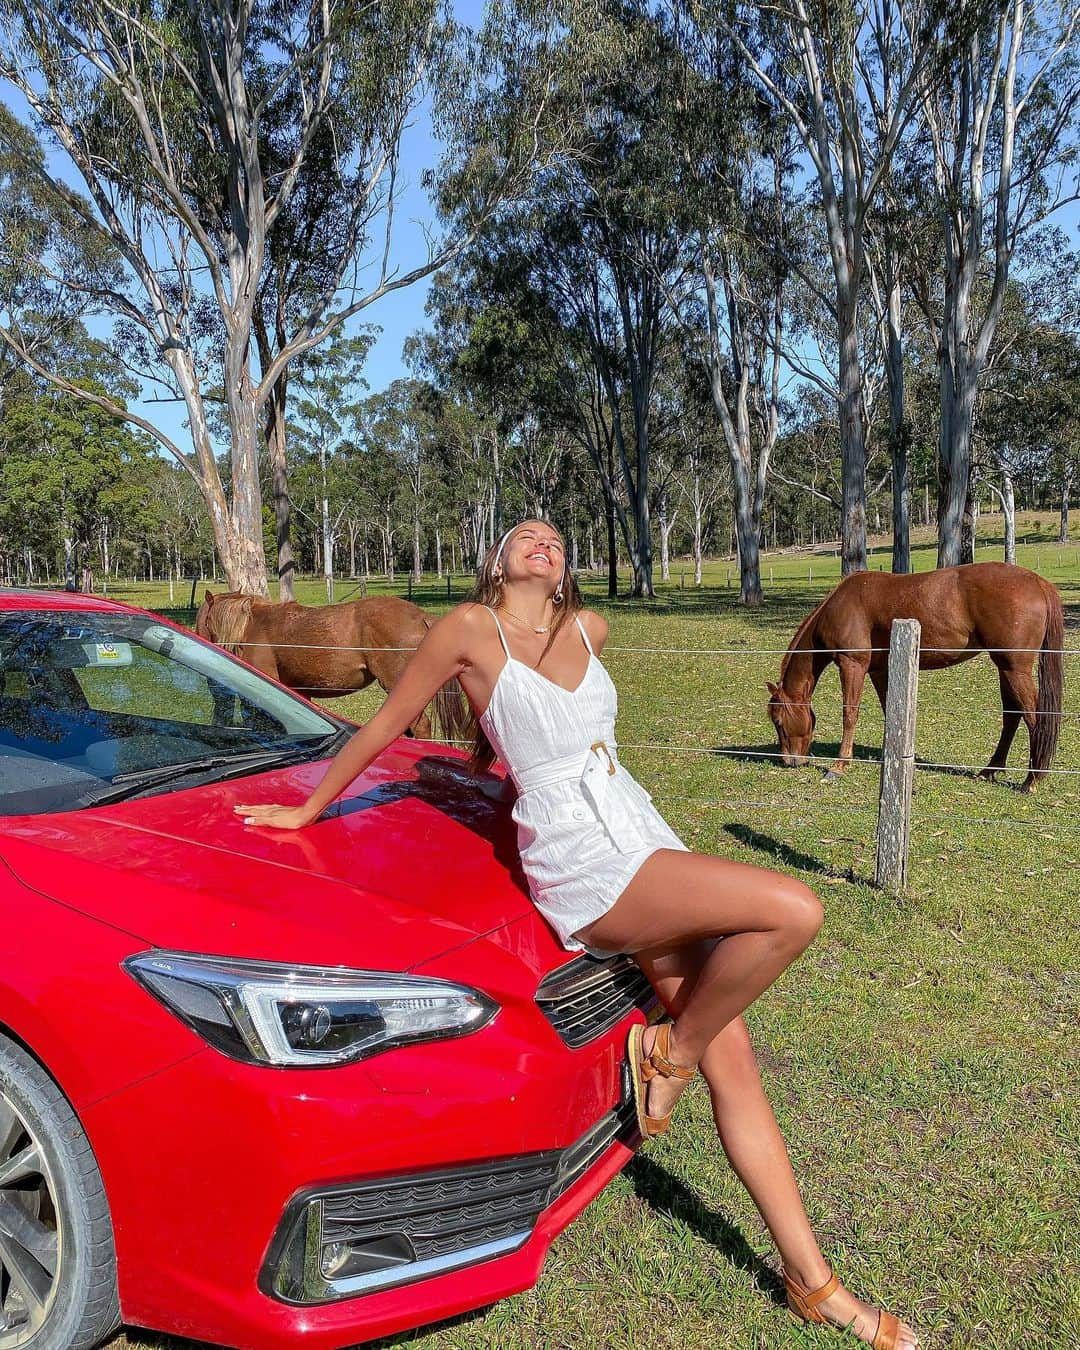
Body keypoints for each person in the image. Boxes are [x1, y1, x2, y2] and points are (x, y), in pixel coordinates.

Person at [235, 519, 917, 1350]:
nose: (540, 541)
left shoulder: (589, 629)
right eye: (523, 534)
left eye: (554, 538)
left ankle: (814, 1284)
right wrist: (309, 806)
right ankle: (667, 1055)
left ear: (565, 573)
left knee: (733, 1060)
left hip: (638, 830)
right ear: (497, 560)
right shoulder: (466, 631)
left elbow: (550, 730)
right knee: (791, 909)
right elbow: (385, 726)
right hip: (579, 857)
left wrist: (493, 758)